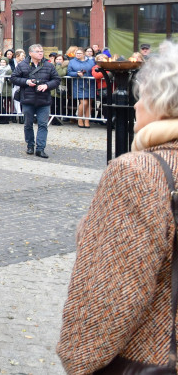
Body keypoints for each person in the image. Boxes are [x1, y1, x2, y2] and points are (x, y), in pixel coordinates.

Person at [58, 40, 178, 372]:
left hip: (152, 355)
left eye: (143, 95)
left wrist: (79, 357)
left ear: (162, 102)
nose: (136, 105)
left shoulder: (139, 173)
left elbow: (112, 291)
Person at [11, 44, 60, 159]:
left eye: (41, 51)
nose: (40, 53)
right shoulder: (22, 65)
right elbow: (13, 78)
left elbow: (57, 80)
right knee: (28, 124)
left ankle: (40, 148)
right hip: (28, 99)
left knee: (43, 124)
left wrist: (46, 85)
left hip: (44, 100)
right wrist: (27, 82)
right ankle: (30, 145)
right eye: (38, 51)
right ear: (31, 53)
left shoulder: (49, 65)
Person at [67, 47, 96, 128]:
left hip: (90, 83)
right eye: (76, 53)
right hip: (79, 84)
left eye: (79, 53)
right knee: (84, 102)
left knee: (89, 103)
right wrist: (76, 73)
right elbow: (69, 72)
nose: (78, 55)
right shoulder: (72, 62)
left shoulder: (91, 61)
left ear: (84, 54)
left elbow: (93, 70)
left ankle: (87, 120)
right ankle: (80, 119)